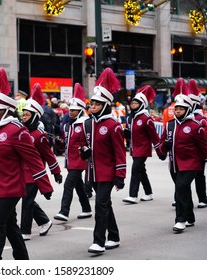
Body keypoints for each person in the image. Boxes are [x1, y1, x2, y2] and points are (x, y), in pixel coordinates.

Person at [0, 68, 53, 260]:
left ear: (6, 110)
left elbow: (34, 159)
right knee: (11, 227)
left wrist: (45, 186)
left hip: (11, 188)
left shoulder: (17, 130)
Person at [157, 78, 207, 233]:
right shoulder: (170, 125)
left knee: (181, 187)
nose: (177, 111)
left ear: (187, 109)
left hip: (191, 164)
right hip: (174, 165)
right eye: (176, 108)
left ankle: (180, 220)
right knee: (183, 190)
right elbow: (162, 146)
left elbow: (205, 149)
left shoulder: (195, 126)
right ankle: (190, 217)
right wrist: (163, 148)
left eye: (181, 108)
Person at [81, 67, 126, 254]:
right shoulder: (88, 123)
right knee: (105, 205)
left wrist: (120, 175)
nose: (93, 107)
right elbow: (85, 145)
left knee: (100, 205)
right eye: (92, 103)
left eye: (97, 104)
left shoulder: (113, 126)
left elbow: (120, 153)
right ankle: (114, 236)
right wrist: (83, 151)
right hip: (92, 172)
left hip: (108, 173)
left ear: (106, 105)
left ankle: (98, 241)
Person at [20, 83, 63, 240]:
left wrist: (56, 173)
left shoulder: (40, 135)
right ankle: (44, 221)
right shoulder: (21, 131)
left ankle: (24, 231)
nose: (24, 117)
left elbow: (49, 155)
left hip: (35, 173)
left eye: (27, 115)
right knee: (27, 201)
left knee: (26, 201)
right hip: (21, 171)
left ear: (35, 116)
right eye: (23, 114)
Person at [54, 83, 92, 222]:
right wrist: (58, 142)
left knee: (68, 184)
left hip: (80, 160)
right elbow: (64, 144)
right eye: (70, 109)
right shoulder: (66, 125)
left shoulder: (85, 123)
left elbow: (90, 142)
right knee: (79, 186)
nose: (71, 112)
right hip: (70, 160)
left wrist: (86, 150)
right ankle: (86, 209)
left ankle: (64, 211)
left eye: (75, 110)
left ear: (81, 110)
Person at [122, 85, 162, 204]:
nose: (133, 105)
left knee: (135, 170)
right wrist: (126, 134)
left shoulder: (146, 118)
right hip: (134, 148)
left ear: (142, 104)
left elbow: (154, 136)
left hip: (143, 148)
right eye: (132, 103)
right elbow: (131, 134)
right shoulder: (131, 118)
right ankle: (148, 193)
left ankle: (132, 195)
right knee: (141, 171)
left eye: (136, 103)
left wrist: (160, 149)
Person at [188, 79, 207, 208]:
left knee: (199, 176)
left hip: (198, 153)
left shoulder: (201, 119)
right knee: (181, 179)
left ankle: (202, 198)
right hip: (186, 153)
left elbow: (202, 138)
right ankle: (179, 198)